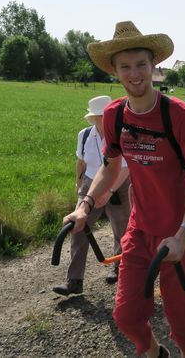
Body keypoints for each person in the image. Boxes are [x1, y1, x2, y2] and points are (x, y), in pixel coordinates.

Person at [64, 21, 185, 358]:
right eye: (125, 67)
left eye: (141, 64)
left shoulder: (179, 115)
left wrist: (184, 234)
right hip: (140, 230)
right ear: (114, 71)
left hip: (181, 234)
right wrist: (85, 205)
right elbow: (110, 167)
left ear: (153, 67)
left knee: (180, 319)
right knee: (126, 316)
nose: (134, 74)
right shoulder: (114, 115)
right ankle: (154, 351)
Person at [53, 96, 131, 296]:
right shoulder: (85, 135)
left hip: (120, 184)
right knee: (79, 227)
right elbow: (81, 162)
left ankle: (120, 270)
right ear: (93, 118)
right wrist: (80, 184)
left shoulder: (123, 134)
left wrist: (110, 190)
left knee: (122, 229)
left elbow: (126, 168)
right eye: (100, 117)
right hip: (90, 182)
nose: (104, 120)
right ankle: (74, 280)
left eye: (107, 116)